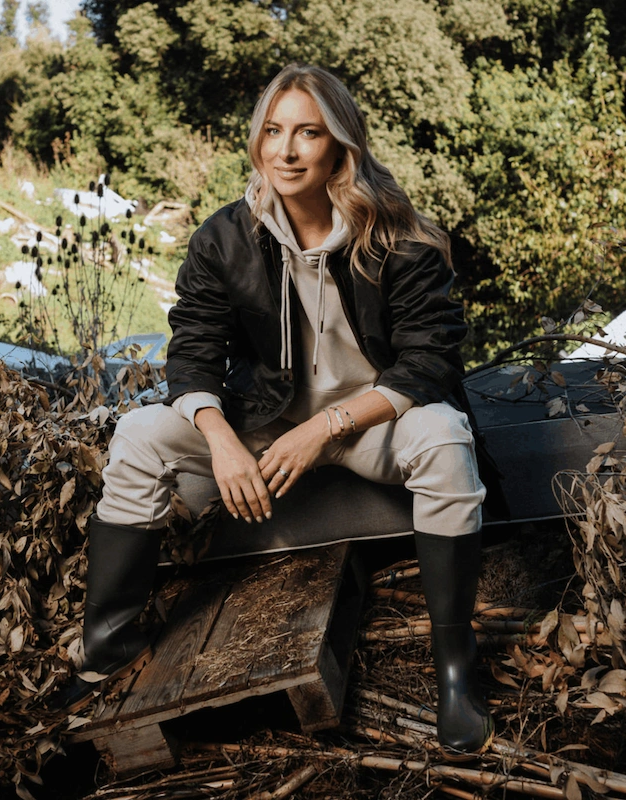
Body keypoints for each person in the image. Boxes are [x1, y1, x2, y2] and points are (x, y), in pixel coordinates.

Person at [59, 64, 495, 758]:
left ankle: (455, 668)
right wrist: (223, 439)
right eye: (273, 131)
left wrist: (329, 427)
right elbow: (194, 351)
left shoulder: (399, 235)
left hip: (371, 425)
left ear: (340, 146)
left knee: (443, 436)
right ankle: (106, 646)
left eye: (308, 133)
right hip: (269, 418)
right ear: (257, 140)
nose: (286, 150)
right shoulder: (226, 237)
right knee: (140, 432)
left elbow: (429, 360)